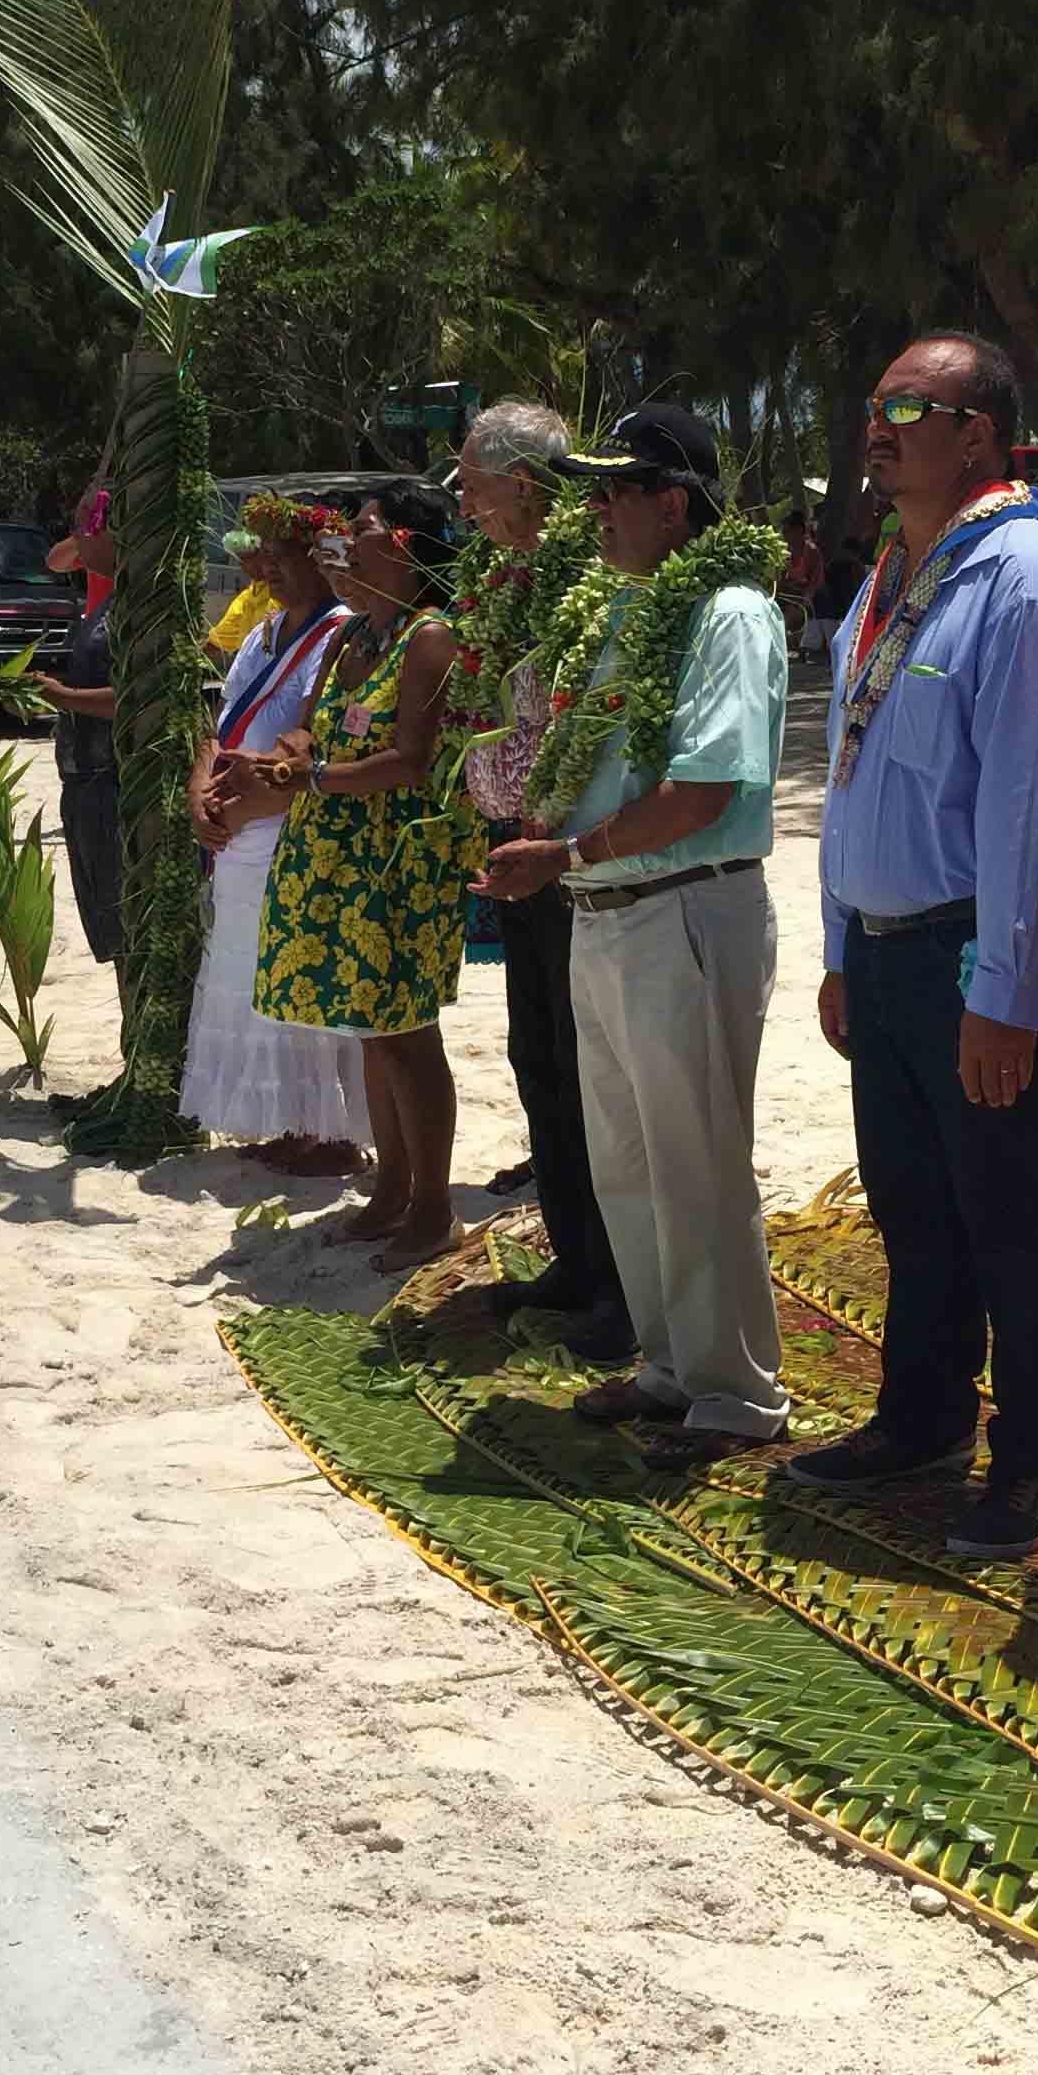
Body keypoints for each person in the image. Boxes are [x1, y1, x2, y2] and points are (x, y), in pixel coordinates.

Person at [783, 336, 1038, 1557]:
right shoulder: (891, 576)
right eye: (873, 403)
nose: (879, 425)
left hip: (972, 952)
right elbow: (857, 773)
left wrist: (1011, 992)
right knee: (911, 1201)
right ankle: (920, 1415)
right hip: (882, 947)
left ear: (978, 433)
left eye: (907, 406)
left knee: (1010, 1212)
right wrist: (836, 947)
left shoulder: (1024, 581)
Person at [475, 407, 788, 1459]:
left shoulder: (731, 610)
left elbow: (703, 790)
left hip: (684, 904)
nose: (596, 508)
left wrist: (567, 853)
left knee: (696, 1159)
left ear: (674, 500)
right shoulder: (632, 606)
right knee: (629, 1163)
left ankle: (736, 1393)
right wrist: (544, 822)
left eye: (616, 489)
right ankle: (669, 1365)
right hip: (608, 911)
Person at [249, 482, 481, 1260]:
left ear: (409, 546)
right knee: (371, 1033)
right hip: (336, 847)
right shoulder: (351, 639)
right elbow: (311, 734)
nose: (348, 539)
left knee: (409, 1034)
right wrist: (287, 758)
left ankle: (432, 1206)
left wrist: (307, 779)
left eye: (367, 529)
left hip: (396, 857)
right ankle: (391, 1189)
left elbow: (410, 762)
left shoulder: (430, 638)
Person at [449, 404, 628, 1359]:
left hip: (569, 853)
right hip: (519, 850)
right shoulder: (504, 573)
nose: (465, 504)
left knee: (586, 1068)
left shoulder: (579, 572)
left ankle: (614, 1275)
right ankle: (572, 1253)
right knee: (537, 1059)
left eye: (472, 483)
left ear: (522, 484)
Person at [185, 501, 372, 1167]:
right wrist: (199, 789)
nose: (268, 569)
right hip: (235, 826)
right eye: (261, 556)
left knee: (298, 966)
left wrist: (248, 802)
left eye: (283, 556)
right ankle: (289, 1121)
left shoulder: (341, 635)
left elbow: (315, 732)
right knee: (247, 968)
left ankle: (328, 1131)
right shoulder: (261, 632)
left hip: (287, 824)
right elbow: (219, 722)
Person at [34, 484, 121, 965]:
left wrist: (65, 698)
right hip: (84, 784)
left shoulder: (133, 609)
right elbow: (58, 558)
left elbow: (138, 697)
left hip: (111, 784)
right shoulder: (101, 606)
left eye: (85, 528)